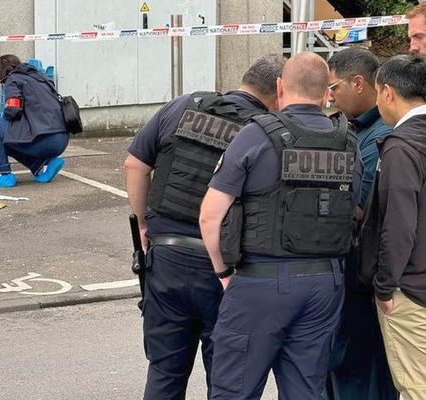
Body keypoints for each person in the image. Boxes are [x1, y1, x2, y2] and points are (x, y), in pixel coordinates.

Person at [124, 53, 286, 400]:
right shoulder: (265, 132)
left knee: (165, 372)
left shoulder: (184, 105)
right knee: (228, 381)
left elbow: (134, 164)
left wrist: (141, 226)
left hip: (165, 259)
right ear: (279, 91)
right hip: (225, 270)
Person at [200, 52, 359, 399]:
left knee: (234, 391)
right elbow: (353, 209)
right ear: (326, 93)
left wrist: (223, 273)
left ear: (280, 86)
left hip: (261, 280)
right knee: (305, 390)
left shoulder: (256, 135)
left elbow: (210, 215)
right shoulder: (348, 142)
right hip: (325, 284)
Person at [325, 47, 398, 400]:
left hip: (363, 277)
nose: (329, 96)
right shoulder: (348, 125)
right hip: (349, 274)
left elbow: (361, 206)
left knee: (362, 376)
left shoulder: (382, 135)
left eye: (333, 87)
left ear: (358, 83)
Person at [372, 54, 426, 400]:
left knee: (415, 387)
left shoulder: (402, 147)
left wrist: (385, 287)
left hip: (410, 292)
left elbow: (398, 224)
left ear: (388, 92)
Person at [0, 54, 69, 187]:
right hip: (61, 139)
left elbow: (13, 110)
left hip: (44, 139)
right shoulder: (41, 77)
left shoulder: (13, 79)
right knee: (8, 138)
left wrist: (6, 119)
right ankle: (41, 167)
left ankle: (0, 174)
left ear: (2, 72)